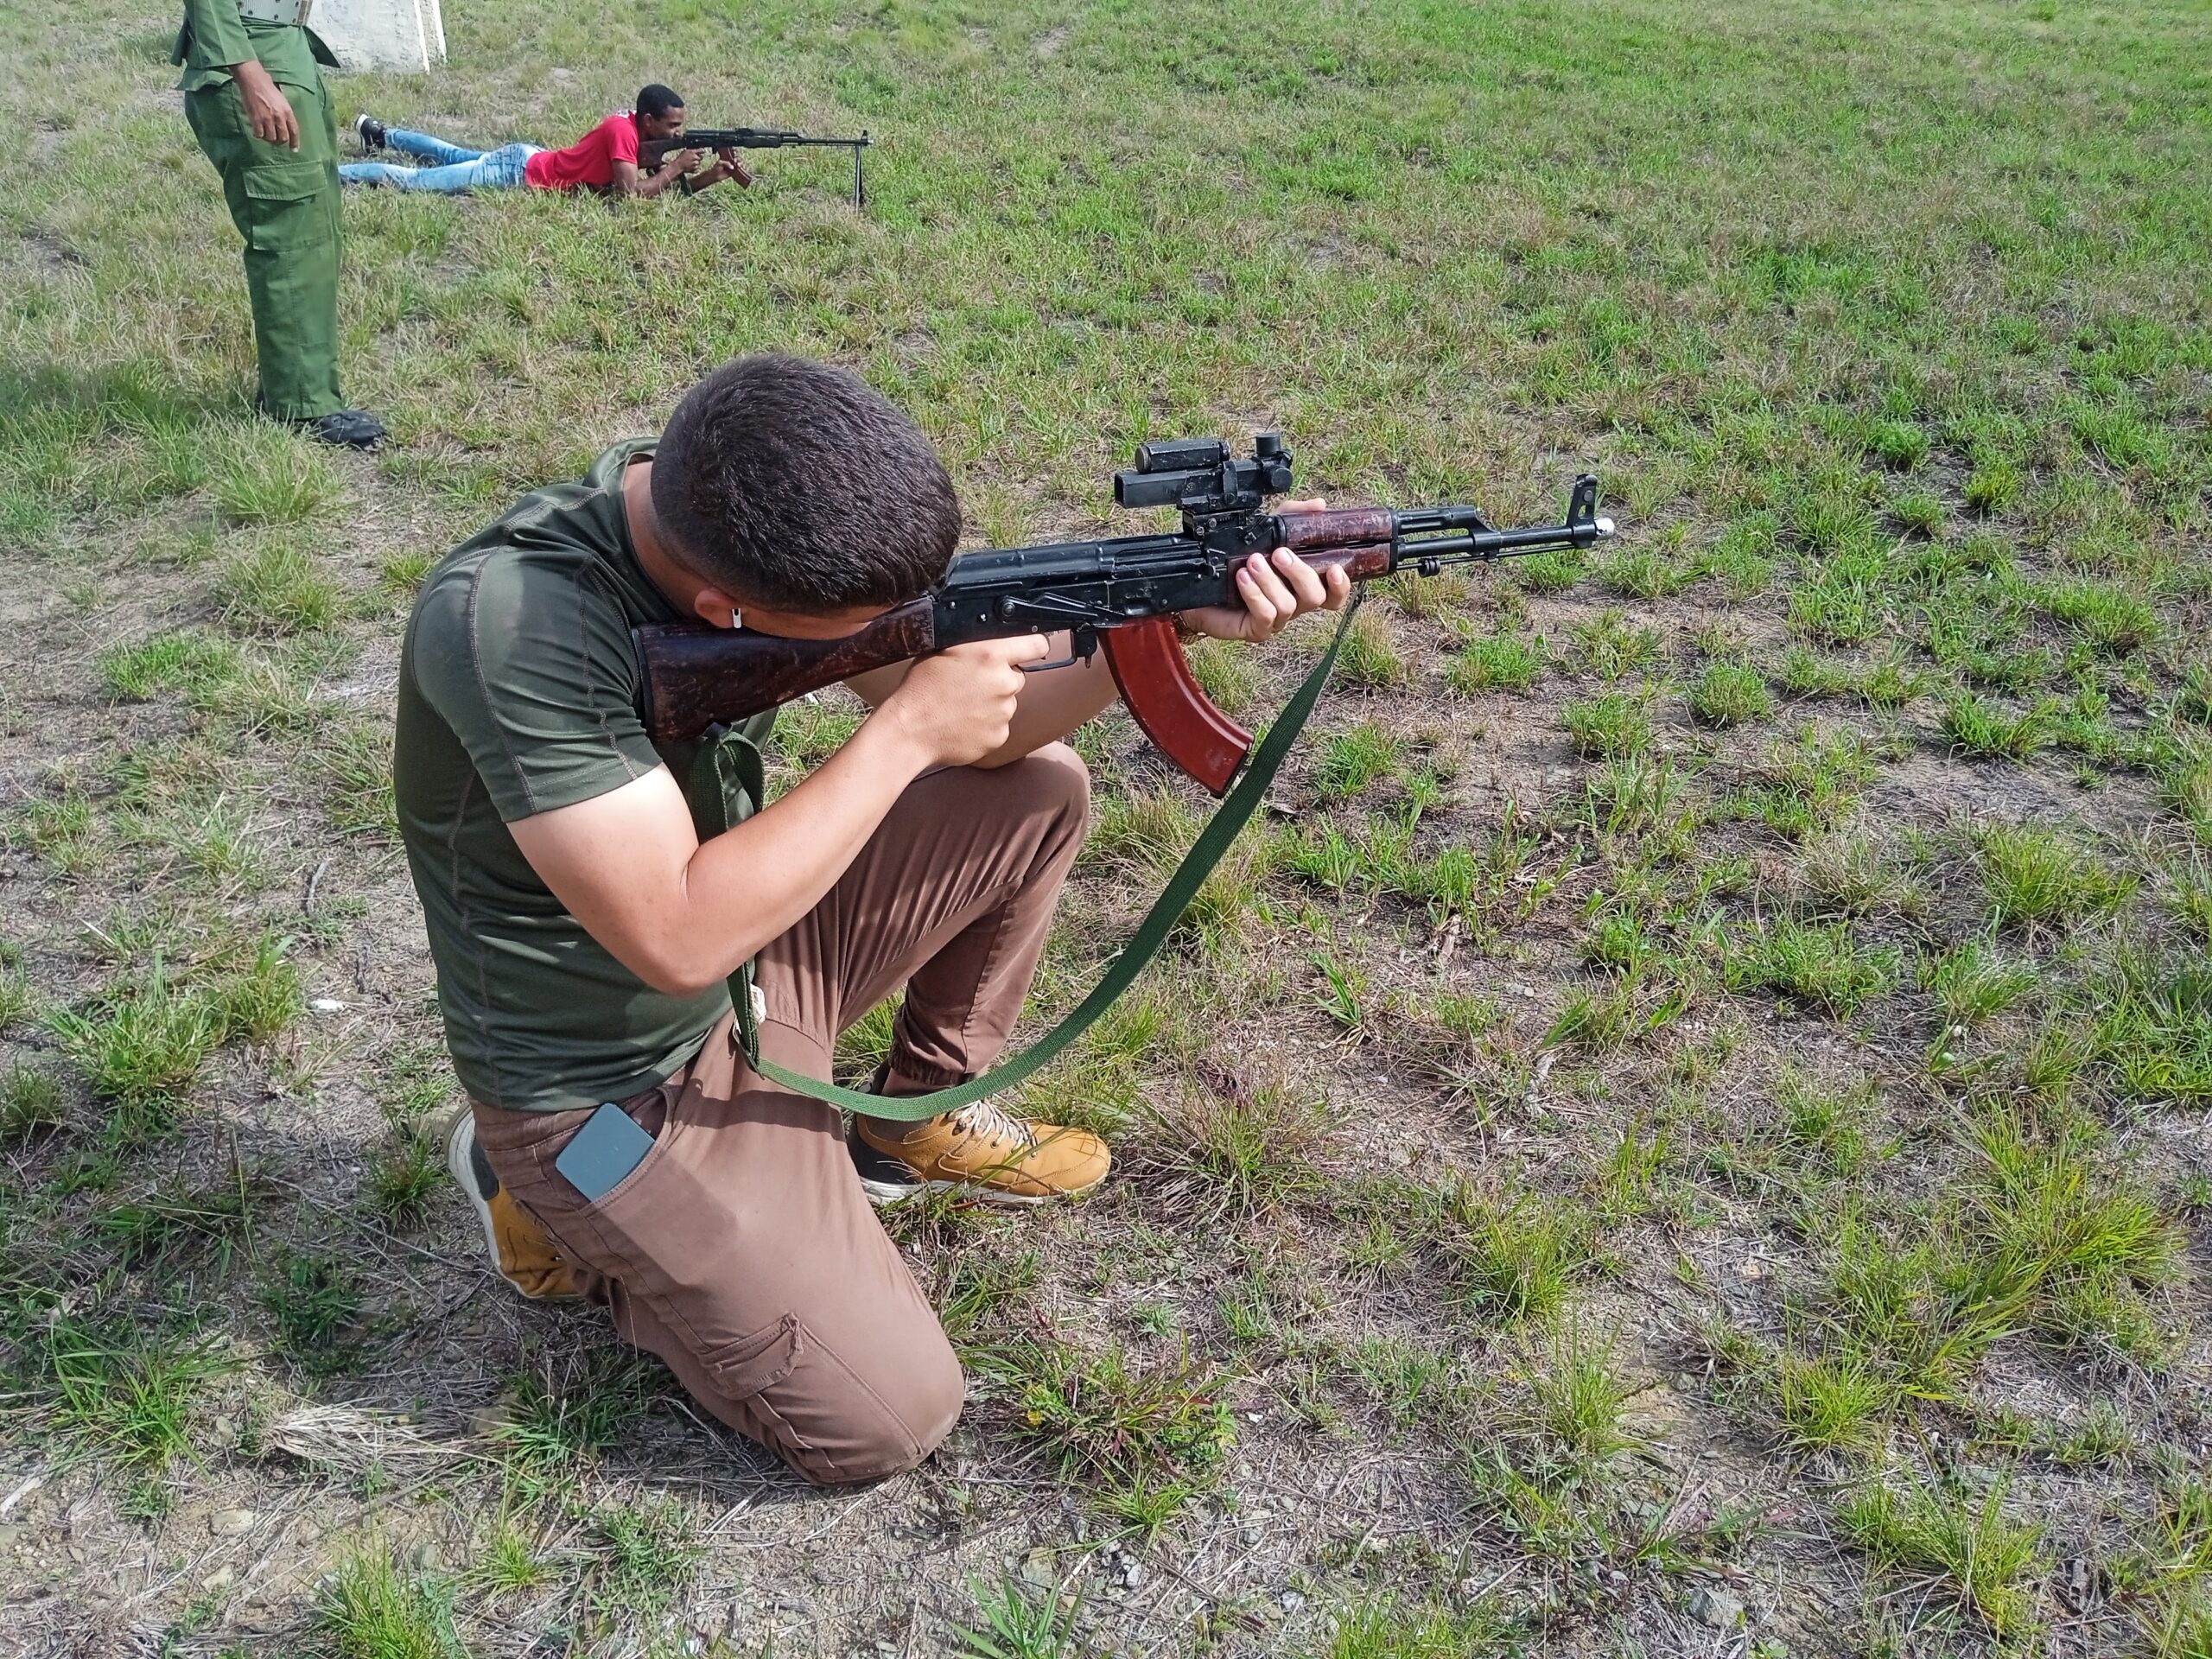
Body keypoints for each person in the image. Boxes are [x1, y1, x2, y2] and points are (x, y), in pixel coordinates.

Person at [396, 355, 1347, 1484]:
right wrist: (899, 736)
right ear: (723, 612)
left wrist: (1164, 624)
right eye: (866, 628)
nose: (896, 637)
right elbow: (676, 935)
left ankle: (905, 1122)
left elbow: (991, 736)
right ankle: (547, 1211)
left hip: (746, 980)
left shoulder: (736, 506)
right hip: (602, 1096)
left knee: (1035, 792)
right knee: (887, 1417)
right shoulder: (512, 630)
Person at [174, 0, 385, 448]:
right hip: (252, 57)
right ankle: (300, 407)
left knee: (314, 233)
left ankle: (291, 389)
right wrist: (248, 72)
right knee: (291, 237)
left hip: (283, 49)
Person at [340, 83, 750, 199]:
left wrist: (708, 177)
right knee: (416, 182)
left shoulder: (635, 131)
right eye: (673, 127)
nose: (678, 134)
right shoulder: (622, 132)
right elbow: (630, 195)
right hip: (518, 171)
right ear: (648, 120)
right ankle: (337, 174)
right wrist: (678, 165)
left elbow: (660, 187)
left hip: (528, 157)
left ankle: (380, 134)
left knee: (448, 153)